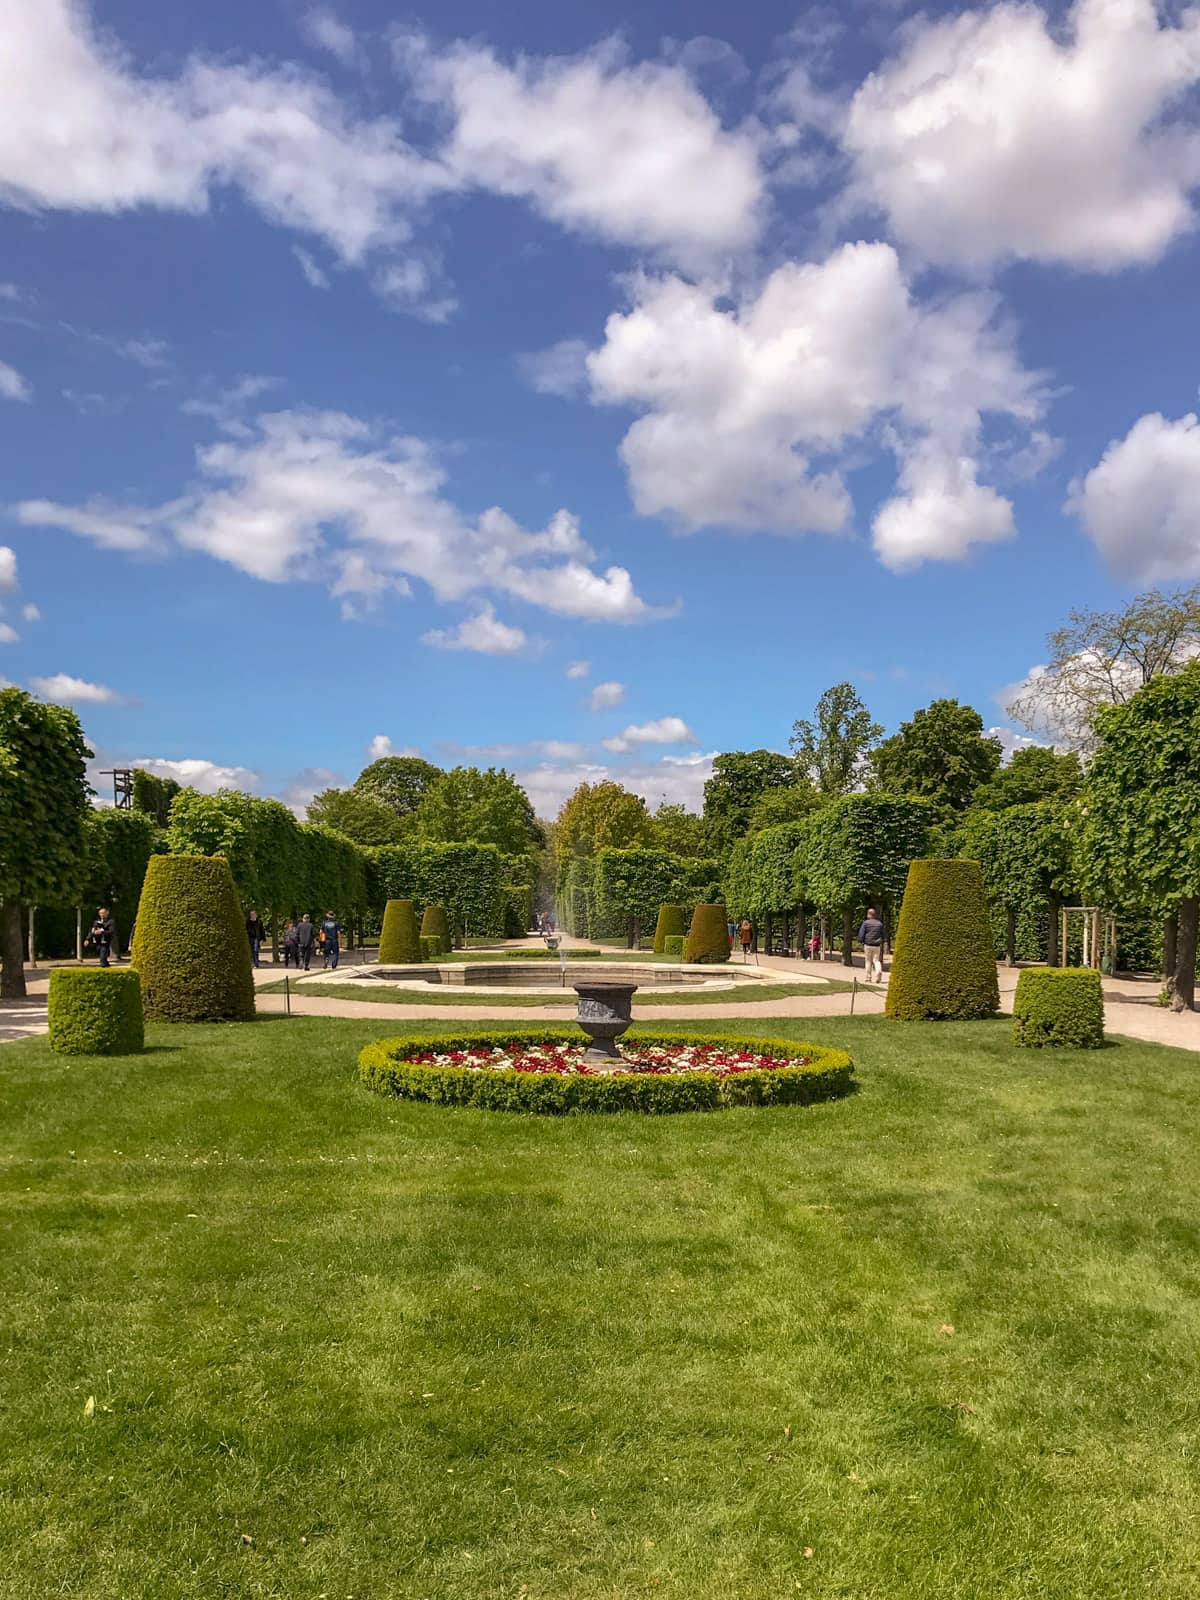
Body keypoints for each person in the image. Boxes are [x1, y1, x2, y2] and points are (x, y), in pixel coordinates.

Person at [858, 907, 885, 983]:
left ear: (868, 914)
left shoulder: (866, 923)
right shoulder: (880, 924)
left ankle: (868, 978)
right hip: (877, 945)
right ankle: (878, 972)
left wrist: (861, 941)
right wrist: (881, 940)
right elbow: (883, 934)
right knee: (876, 960)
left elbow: (861, 934)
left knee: (868, 961)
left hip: (868, 944)